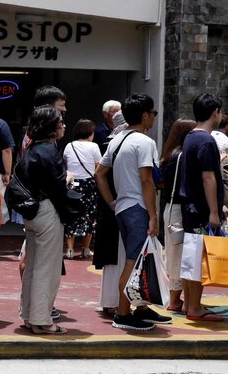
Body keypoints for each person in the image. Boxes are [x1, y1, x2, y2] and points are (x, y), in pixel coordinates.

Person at [95, 93, 171, 331]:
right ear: (145, 115)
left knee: (137, 260)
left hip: (123, 207)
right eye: (154, 113)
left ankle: (140, 308)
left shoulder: (117, 139)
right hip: (138, 207)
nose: (154, 118)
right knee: (134, 261)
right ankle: (123, 313)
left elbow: (99, 173)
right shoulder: (145, 142)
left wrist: (111, 202)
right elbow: (147, 180)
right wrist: (153, 215)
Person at [18, 105, 68, 335]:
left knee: (34, 266)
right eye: (60, 121)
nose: (63, 125)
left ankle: (30, 315)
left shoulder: (33, 148)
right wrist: (67, 179)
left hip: (33, 212)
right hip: (48, 211)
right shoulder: (48, 151)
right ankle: (42, 319)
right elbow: (57, 186)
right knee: (46, 268)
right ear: (51, 127)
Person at [179, 93, 227, 322]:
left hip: (189, 208)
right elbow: (209, 177)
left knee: (191, 258)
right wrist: (215, 211)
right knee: (198, 259)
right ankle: (195, 307)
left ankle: (190, 303)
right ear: (215, 112)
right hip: (202, 210)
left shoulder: (190, 137)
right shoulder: (207, 141)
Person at [159, 118, 195, 313]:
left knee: (175, 254)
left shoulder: (170, 155)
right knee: (178, 255)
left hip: (171, 209)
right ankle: (174, 299)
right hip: (178, 211)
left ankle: (175, 298)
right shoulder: (181, 156)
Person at [62, 119, 102, 259]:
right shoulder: (94, 147)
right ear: (90, 133)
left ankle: (70, 249)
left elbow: (66, 164)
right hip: (89, 184)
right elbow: (98, 168)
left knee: (71, 215)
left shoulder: (69, 146)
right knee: (89, 216)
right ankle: (85, 248)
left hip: (72, 183)